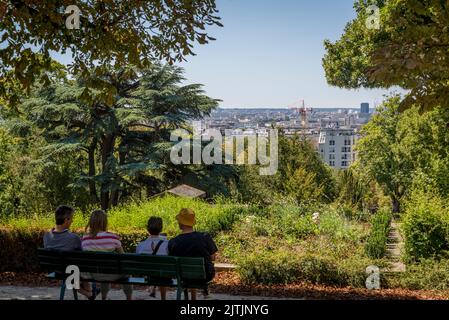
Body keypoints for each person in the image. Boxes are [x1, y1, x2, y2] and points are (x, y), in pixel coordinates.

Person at [43, 205, 94, 299]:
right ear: (66, 219)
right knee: (82, 268)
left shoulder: (46, 235)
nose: (72, 221)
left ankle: (89, 294)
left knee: (76, 271)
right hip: (71, 272)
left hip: (55, 270)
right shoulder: (73, 238)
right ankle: (89, 293)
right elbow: (82, 256)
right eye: (71, 218)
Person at [81, 210, 133, 300]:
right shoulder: (112, 237)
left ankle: (104, 298)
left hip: (93, 275)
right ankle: (129, 298)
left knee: (103, 268)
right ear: (104, 222)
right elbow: (123, 256)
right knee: (126, 271)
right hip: (112, 274)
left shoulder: (85, 238)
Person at [168, 208, 218, 300]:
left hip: (183, 276)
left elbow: (172, 260)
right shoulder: (204, 237)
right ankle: (205, 291)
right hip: (205, 276)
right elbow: (213, 257)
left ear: (181, 223)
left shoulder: (173, 242)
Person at [136, 216, 169, 300]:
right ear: (161, 229)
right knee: (162, 271)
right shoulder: (167, 244)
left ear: (147, 229)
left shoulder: (141, 245)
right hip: (163, 275)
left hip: (148, 274)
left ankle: (152, 288)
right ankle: (163, 298)